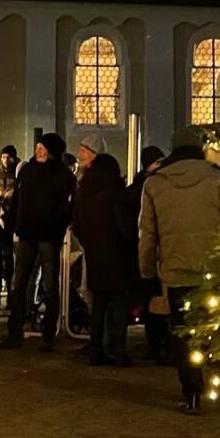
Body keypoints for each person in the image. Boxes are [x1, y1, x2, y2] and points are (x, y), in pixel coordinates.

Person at [138, 127, 220, 413]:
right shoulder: (216, 177)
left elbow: (147, 233)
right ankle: (207, 377)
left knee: (181, 331)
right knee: (208, 326)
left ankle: (191, 390)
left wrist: (146, 270)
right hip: (211, 267)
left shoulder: (155, 183)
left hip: (175, 267)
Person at [0, 133, 75, 352]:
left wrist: (55, 226)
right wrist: (10, 230)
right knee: (19, 284)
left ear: (52, 152)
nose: (38, 151)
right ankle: (14, 333)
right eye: (37, 147)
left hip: (48, 237)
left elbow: (66, 209)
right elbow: (17, 203)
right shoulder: (28, 171)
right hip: (27, 235)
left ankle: (48, 336)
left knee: (50, 286)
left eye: (43, 148)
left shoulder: (63, 176)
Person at [74, 151, 138, 366]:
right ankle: (119, 351)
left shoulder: (83, 190)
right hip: (117, 254)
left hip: (94, 254)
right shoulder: (114, 190)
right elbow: (124, 225)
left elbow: (78, 226)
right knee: (119, 306)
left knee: (99, 306)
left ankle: (96, 350)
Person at [128, 145, 168, 361]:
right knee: (156, 300)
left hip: (150, 248)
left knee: (154, 300)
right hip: (154, 248)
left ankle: (155, 344)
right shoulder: (151, 185)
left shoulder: (140, 185)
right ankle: (158, 345)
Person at [0, 145, 20, 306]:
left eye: (8, 157)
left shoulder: (19, 175)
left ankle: (11, 297)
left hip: (12, 223)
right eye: (3, 157)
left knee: (10, 261)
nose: (6, 160)